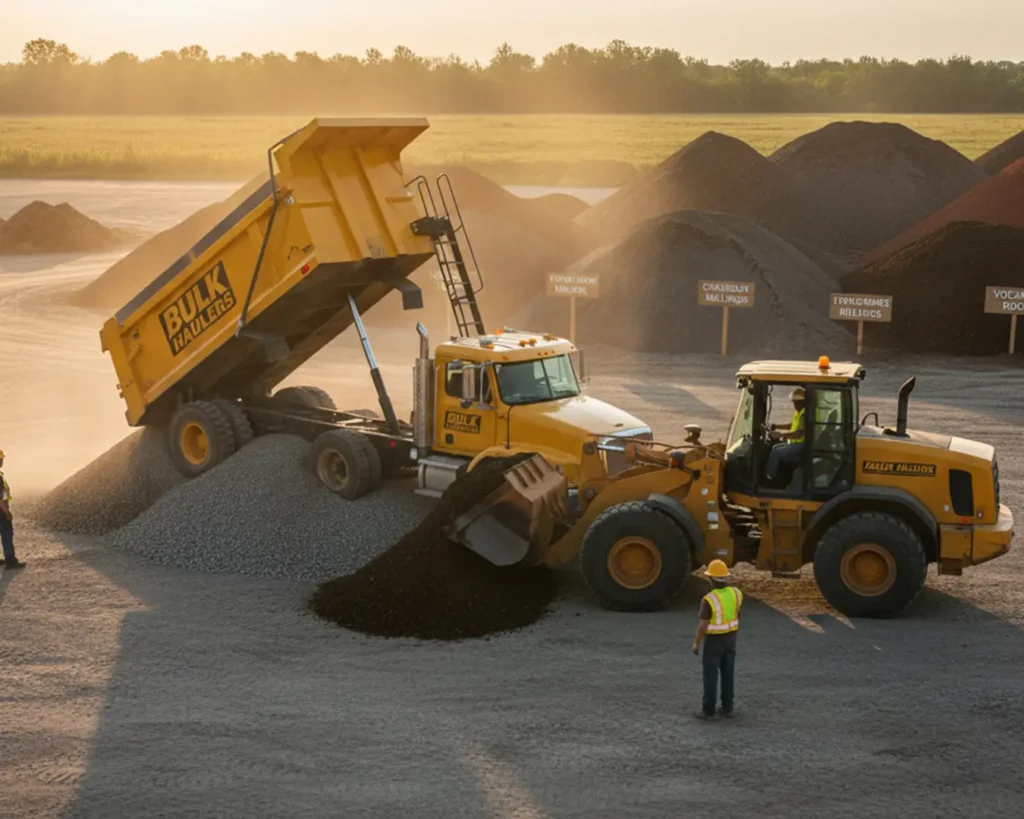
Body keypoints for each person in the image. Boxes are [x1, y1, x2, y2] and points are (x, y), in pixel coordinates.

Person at [692, 560, 742, 719]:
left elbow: (703, 625)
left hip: (714, 641)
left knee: (711, 674)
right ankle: (727, 707)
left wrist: (696, 643)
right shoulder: (736, 593)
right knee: (728, 673)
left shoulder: (709, 599)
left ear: (711, 580)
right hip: (731, 638)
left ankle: (708, 710)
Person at [764, 386, 806, 484]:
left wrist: (781, 435)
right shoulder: (801, 412)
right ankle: (778, 476)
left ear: (801, 402)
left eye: (795, 402)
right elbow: (792, 425)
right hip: (797, 443)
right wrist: (776, 426)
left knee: (775, 452)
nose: (794, 405)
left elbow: (799, 433)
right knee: (775, 446)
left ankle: (769, 479)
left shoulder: (805, 414)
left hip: (801, 445)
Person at [0, 449, 25, 569]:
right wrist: (7, 512)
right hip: (0, 511)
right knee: (6, 534)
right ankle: (10, 561)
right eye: (1, 459)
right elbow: (0, 498)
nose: (2, 461)